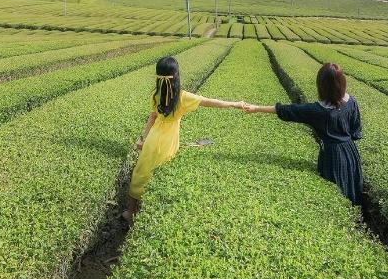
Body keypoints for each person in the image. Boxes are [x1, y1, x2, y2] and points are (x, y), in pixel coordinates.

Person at [123, 56, 246, 221]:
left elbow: (152, 118)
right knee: (158, 175)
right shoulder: (182, 97)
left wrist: (143, 139)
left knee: (141, 172)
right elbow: (209, 102)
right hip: (168, 141)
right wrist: (235, 104)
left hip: (153, 139)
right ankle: (146, 215)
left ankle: (130, 211)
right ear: (176, 75)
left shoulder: (155, 94)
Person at [243, 62, 363, 205]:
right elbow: (356, 131)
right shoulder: (351, 102)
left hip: (331, 155)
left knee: (336, 187)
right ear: (342, 83)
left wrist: (256, 108)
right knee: (352, 183)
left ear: (321, 86)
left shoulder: (317, 110)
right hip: (350, 151)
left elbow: (288, 110)